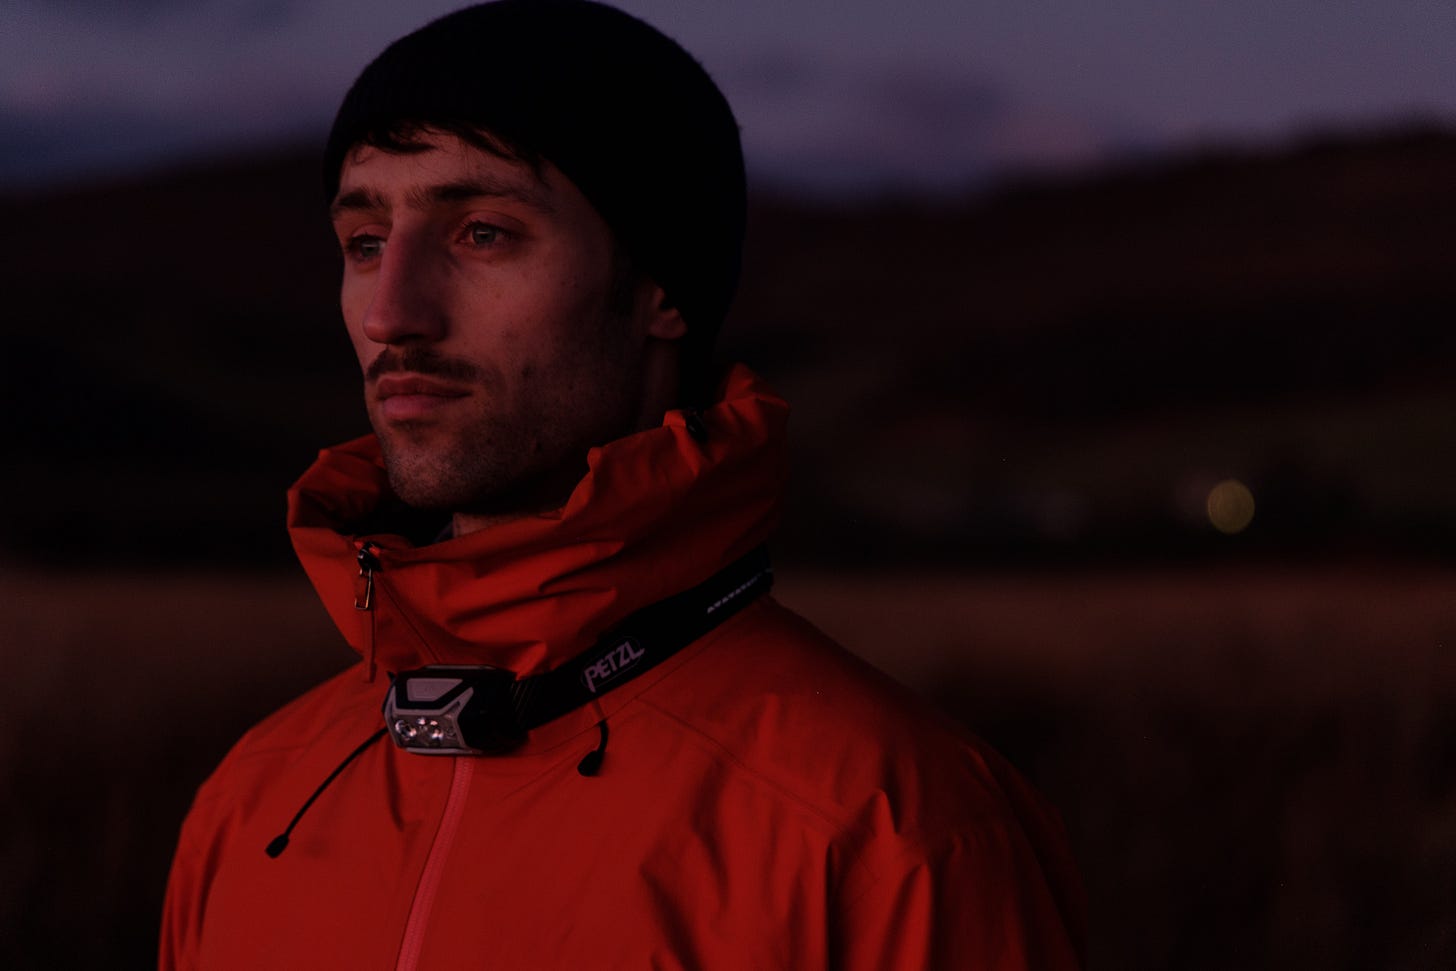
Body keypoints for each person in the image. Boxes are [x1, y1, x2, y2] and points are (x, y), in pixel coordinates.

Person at [159, 2, 1085, 967]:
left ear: (662, 290)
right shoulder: (254, 802)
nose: (392, 311)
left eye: (481, 232)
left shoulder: (888, 829)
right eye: (362, 243)